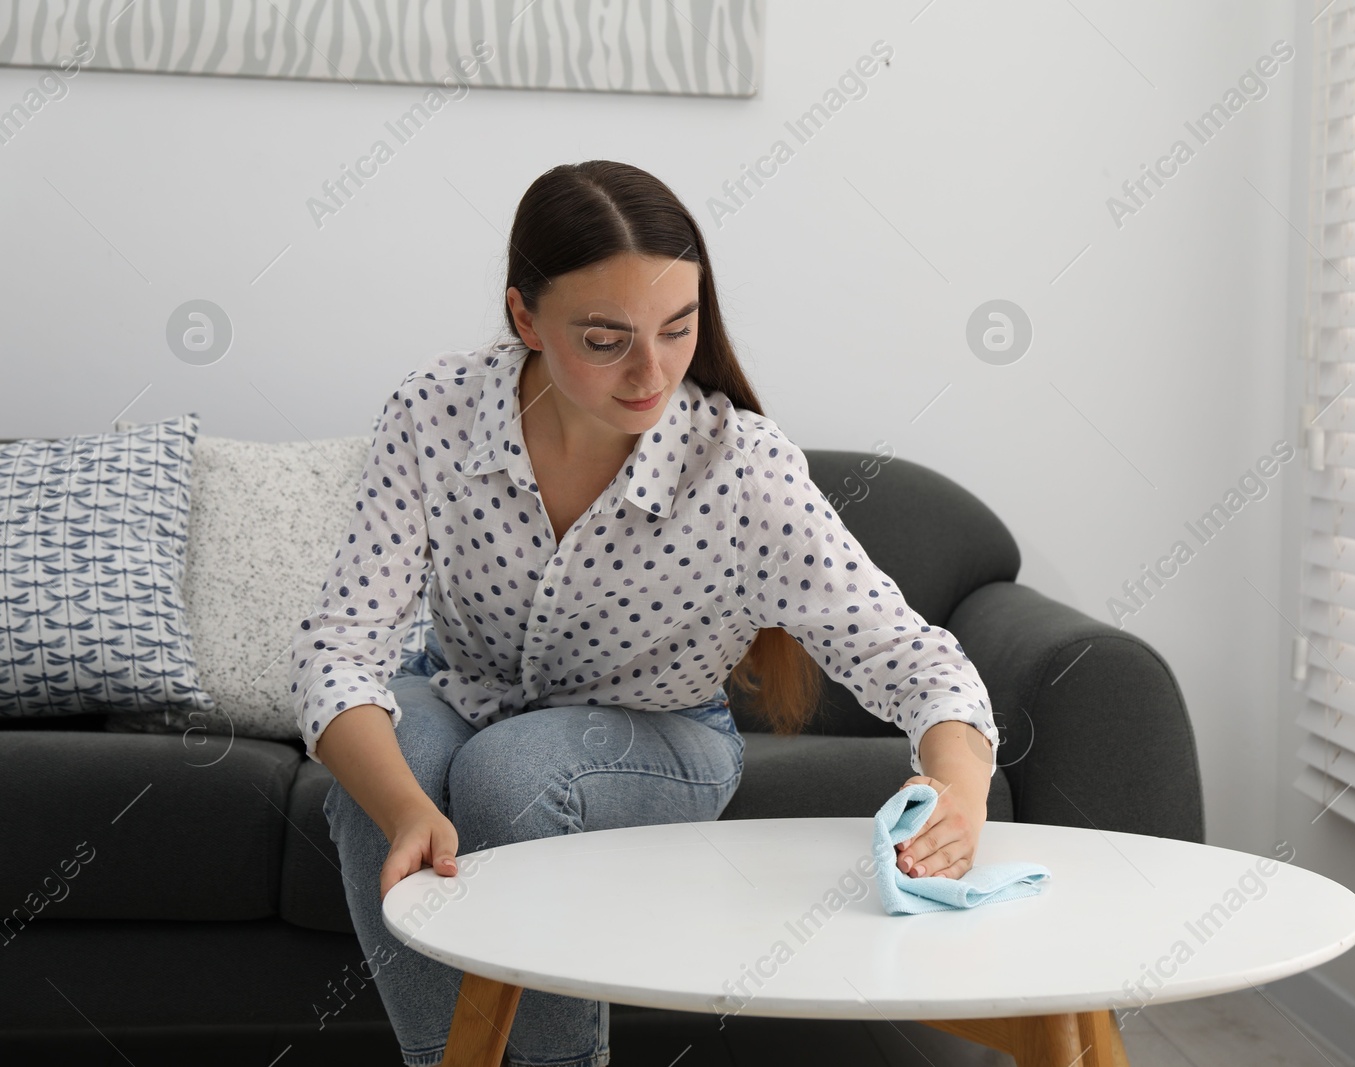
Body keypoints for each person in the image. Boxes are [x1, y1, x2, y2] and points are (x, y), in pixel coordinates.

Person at [290, 159, 1000, 1067]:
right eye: (606, 338)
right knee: (394, 763)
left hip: (666, 734)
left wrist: (959, 785)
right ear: (524, 319)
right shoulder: (435, 411)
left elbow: (913, 656)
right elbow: (337, 652)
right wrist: (401, 809)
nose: (652, 371)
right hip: (458, 689)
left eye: (678, 329)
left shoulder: (743, 470)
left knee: (509, 774)